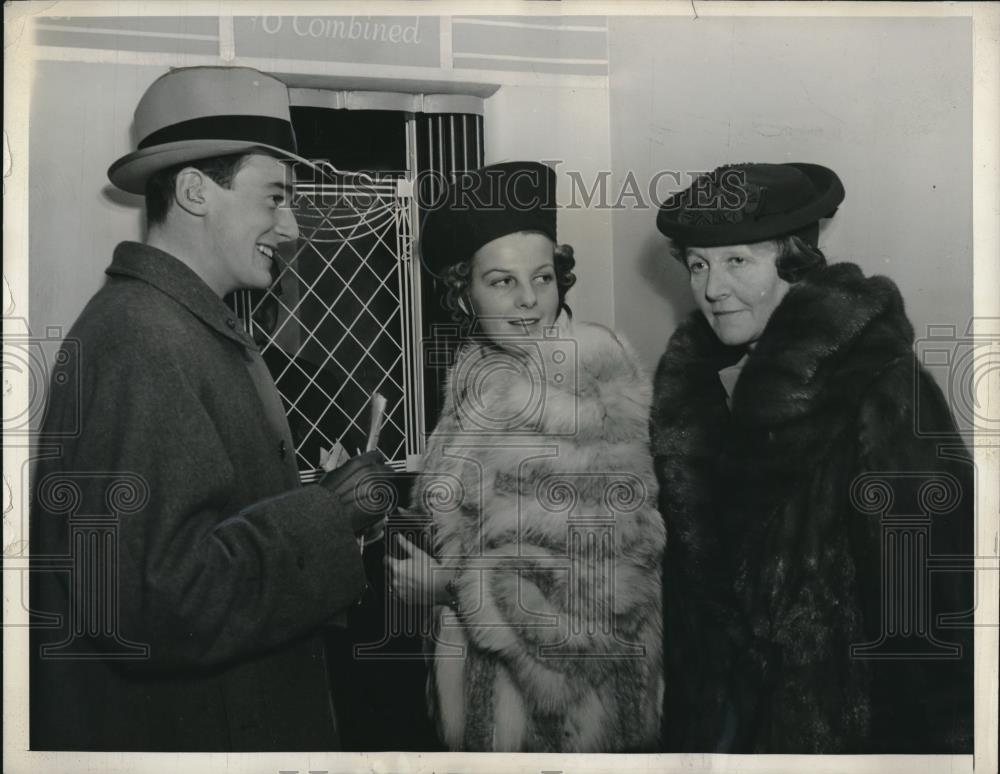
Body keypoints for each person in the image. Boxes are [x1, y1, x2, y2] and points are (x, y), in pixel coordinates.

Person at [30, 66, 395, 751]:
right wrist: (328, 515)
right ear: (196, 191)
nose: (290, 228)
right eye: (274, 199)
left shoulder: (178, 324)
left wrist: (340, 523)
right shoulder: (143, 338)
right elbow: (155, 603)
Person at [651, 162, 974, 753]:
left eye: (737, 261)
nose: (712, 288)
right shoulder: (694, 387)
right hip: (719, 728)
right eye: (698, 264)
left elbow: (931, 611)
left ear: (796, 259)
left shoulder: (880, 386)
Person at [386, 161, 665, 752]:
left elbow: (596, 602)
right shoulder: (482, 377)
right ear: (464, 293)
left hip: (566, 725)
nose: (530, 301)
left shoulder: (584, 379)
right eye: (502, 281)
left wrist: (447, 588)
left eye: (543, 277)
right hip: (494, 707)